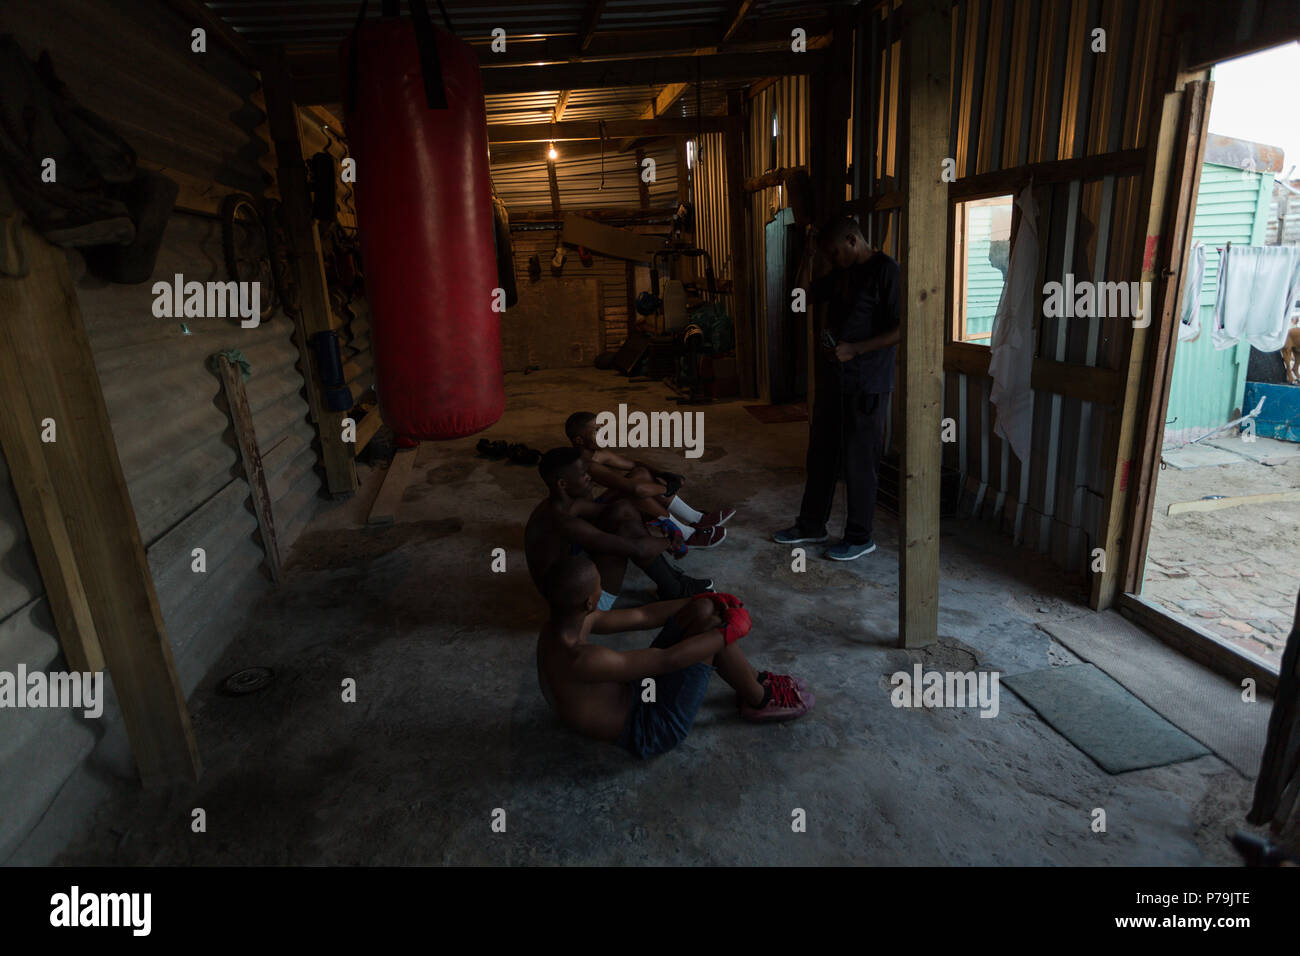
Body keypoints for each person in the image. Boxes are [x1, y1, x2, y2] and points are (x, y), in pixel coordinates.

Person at [536, 554, 814, 758]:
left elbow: (641, 615)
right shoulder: (581, 659)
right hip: (650, 728)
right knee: (713, 630)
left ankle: (755, 681)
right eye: (599, 583)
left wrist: (700, 599)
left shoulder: (562, 624)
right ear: (589, 602)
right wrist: (731, 632)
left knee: (704, 611)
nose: (602, 585)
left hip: (634, 694)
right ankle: (760, 699)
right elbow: (667, 660)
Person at [773, 215, 901, 561]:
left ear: (852, 240)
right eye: (827, 255)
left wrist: (856, 348)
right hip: (836, 381)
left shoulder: (886, 270)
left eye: (834, 253)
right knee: (821, 457)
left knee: (860, 463)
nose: (832, 260)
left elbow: (902, 329)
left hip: (867, 384)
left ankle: (861, 537)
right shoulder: (841, 273)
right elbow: (799, 299)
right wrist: (808, 255)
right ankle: (812, 525)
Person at [525, 447, 712, 608]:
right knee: (624, 540)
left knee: (622, 509)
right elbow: (637, 549)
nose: (590, 477)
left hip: (571, 570)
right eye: (583, 474)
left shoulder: (563, 504)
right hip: (576, 604)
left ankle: (672, 585)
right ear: (562, 484)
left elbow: (617, 510)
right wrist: (670, 541)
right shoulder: (561, 520)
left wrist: (662, 522)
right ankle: (674, 588)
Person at [565, 411, 734, 556]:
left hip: (600, 508)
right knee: (633, 493)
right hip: (590, 521)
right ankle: (687, 534)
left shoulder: (597, 454)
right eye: (596, 430)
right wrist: (667, 487)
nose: (603, 433)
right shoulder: (587, 464)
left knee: (642, 473)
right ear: (579, 440)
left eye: (602, 428)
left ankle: (697, 518)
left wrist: (663, 474)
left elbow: (635, 464)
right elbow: (636, 489)